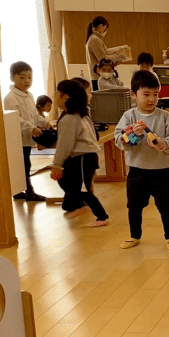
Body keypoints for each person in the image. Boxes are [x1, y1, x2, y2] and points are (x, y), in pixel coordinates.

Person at [114, 71, 169, 250]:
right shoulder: (129, 116)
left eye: (155, 94)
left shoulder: (164, 116)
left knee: (165, 206)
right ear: (133, 94)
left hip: (162, 170)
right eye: (146, 94)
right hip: (137, 171)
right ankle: (134, 236)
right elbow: (119, 141)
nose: (151, 99)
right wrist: (131, 135)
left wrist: (164, 143)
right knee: (134, 206)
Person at [50, 80, 109, 227]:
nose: (55, 95)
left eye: (57, 92)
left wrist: (57, 164)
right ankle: (77, 206)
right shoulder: (82, 115)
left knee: (83, 190)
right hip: (84, 156)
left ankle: (102, 216)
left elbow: (64, 144)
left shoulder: (69, 118)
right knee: (68, 183)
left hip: (82, 157)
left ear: (65, 97)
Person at [3, 61, 48, 201]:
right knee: (22, 164)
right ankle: (29, 191)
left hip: (27, 137)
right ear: (12, 78)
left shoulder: (29, 95)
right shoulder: (10, 98)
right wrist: (31, 128)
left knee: (24, 163)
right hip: (17, 137)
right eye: (22, 77)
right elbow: (16, 118)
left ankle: (19, 191)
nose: (27, 81)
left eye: (29, 77)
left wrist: (44, 122)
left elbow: (33, 115)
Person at [85, 16, 125, 90]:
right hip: (98, 77)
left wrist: (120, 49)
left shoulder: (95, 38)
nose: (105, 30)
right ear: (101, 26)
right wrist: (118, 56)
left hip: (97, 76)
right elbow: (103, 59)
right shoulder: (95, 40)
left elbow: (106, 52)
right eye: (105, 28)